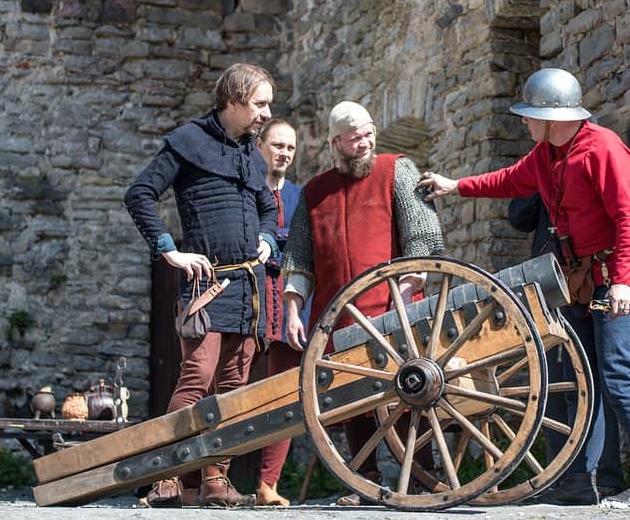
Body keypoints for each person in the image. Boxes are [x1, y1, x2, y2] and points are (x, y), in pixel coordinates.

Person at [418, 68, 630, 507]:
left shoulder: (605, 149)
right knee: (582, 379)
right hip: (578, 283)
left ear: (553, 117)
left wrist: (625, 282)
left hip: (615, 280)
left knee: (618, 375)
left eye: (530, 116)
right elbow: (509, 181)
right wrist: (456, 186)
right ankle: (579, 480)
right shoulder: (546, 155)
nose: (524, 122)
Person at [124, 63, 278, 508]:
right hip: (207, 285)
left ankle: (214, 480)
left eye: (269, 104)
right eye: (260, 104)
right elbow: (139, 194)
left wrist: (267, 239)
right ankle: (168, 477)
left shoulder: (251, 152)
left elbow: (267, 208)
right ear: (232, 101)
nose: (266, 113)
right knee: (197, 377)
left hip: (247, 289)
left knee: (232, 387)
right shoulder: (188, 142)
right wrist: (169, 249)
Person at [281, 101, 445, 506]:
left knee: (412, 392)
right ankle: (363, 479)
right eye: (355, 138)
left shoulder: (396, 170)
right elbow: (300, 257)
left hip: (395, 311)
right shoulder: (315, 192)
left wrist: (406, 293)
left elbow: (421, 238)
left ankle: (423, 477)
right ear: (335, 142)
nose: (365, 143)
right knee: (349, 400)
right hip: (335, 317)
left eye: (369, 134)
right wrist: (290, 308)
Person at [508, 194, 625, 504]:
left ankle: (606, 475)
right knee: (557, 382)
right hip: (554, 288)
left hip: (599, 289)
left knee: (603, 375)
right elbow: (518, 216)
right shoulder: (543, 174)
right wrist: (538, 188)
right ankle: (563, 475)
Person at [252, 118, 303, 506]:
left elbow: (306, 254)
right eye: (277, 145)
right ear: (260, 146)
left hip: (287, 311)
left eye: (289, 147)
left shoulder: (301, 198)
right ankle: (206, 478)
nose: (283, 152)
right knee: (229, 391)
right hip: (248, 306)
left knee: (283, 398)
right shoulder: (245, 192)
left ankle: (268, 484)